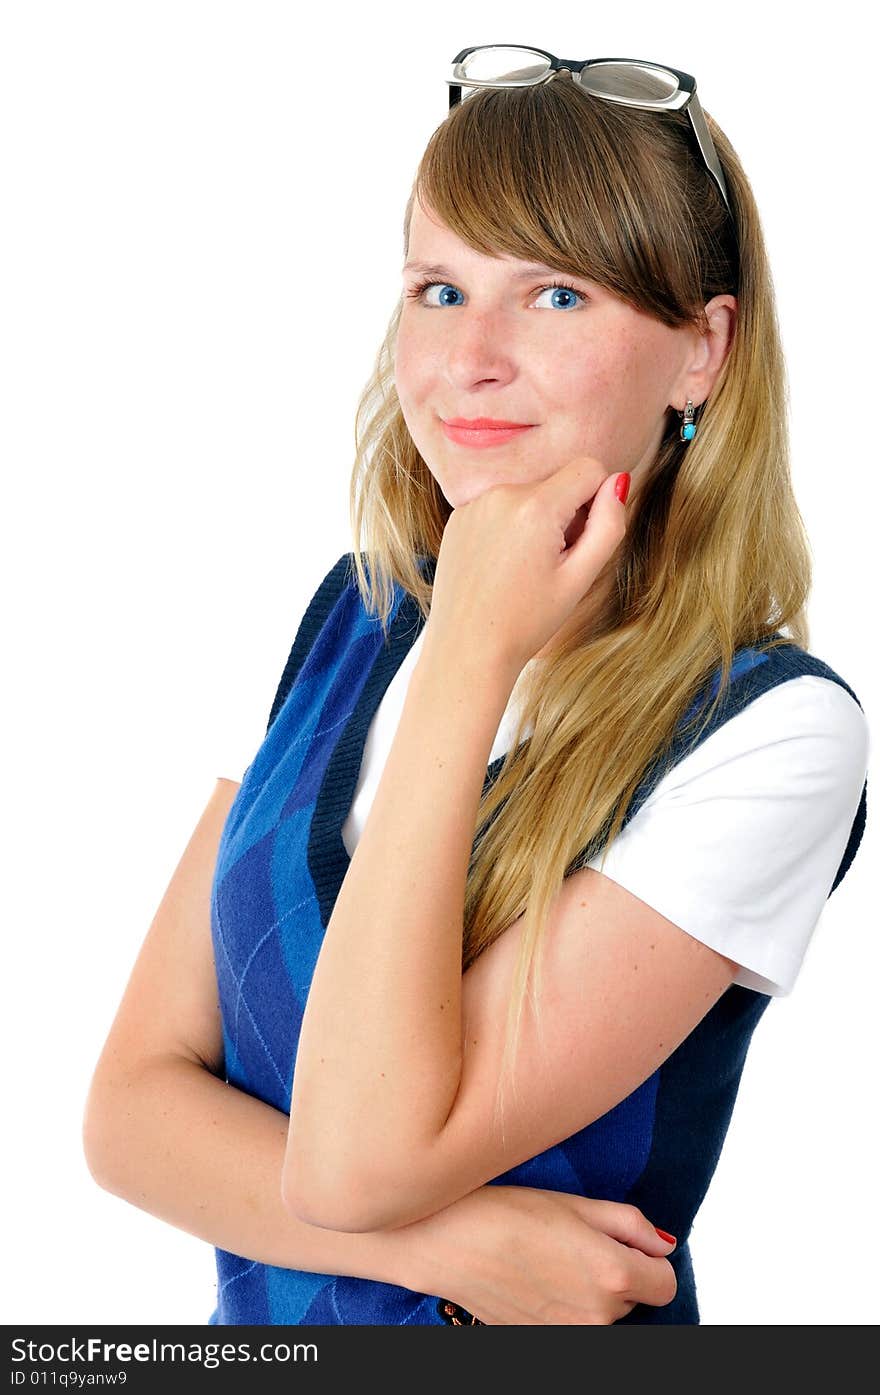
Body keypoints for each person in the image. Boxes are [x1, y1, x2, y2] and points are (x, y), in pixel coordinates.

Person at [83, 47, 869, 1326]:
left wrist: (470, 648)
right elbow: (130, 1113)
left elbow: (356, 1161)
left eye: (557, 297)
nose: (470, 360)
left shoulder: (772, 732)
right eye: (439, 289)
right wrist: (449, 1250)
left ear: (700, 354)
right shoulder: (348, 614)